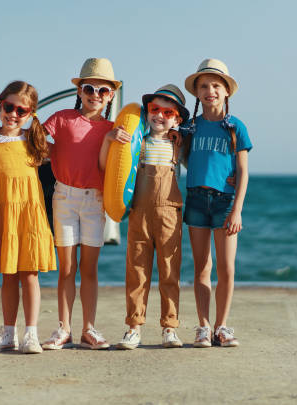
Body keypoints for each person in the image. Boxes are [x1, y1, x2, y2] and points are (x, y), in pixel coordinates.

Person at [99, 85, 189, 349]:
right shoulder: (137, 143)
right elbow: (109, 168)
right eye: (154, 109)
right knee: (137, 270)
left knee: (170, 271)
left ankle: (169, 327)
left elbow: (198, 165)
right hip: (140, 213)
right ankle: (134, 327)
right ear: (147, 111)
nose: (160, 116)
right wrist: (110, 140)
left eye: (168, 112)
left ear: (177, 119)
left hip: (169, 213)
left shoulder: (178, 144)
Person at [41, 58, 121, 350]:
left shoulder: (113, 130)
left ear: (111, 95)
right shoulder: (62, 118)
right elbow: (37, 141)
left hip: (94, 202)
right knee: (65, 269)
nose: (95, 95)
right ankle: (63, 329)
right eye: (89, 88)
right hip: (63, 197)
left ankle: (89, 328)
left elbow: (119, 168)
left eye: (103, 90)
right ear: (79, 91)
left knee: (89, 270)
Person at [0, 81, 57, 354]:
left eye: (20, 110)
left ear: (31, 113)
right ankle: (8, 333)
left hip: (28, 214)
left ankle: (31, 335)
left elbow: (70, 158)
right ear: (0, 104)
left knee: (30, 275)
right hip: (1, 214)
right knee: (8, 275)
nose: (13, 114)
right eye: (8, 107)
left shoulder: (34, 140)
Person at [182, 58, 251, 347]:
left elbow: (244, 170)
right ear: (197, 93)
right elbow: (186, 158)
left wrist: (237, 209)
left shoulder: (235, 126)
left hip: (224, 203)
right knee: (202, 267)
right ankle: (203, 326)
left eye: (215, 85)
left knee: (226, 268)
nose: (210, 90)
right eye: (204, 86)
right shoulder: (190, 127)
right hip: (196, 199)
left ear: (226, 91)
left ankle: (222, 326)